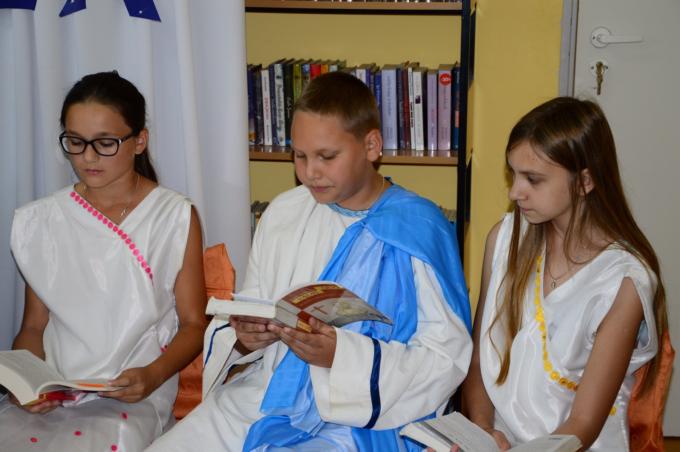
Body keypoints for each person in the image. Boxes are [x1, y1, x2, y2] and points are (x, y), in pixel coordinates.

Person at [148, 71, 472, 451]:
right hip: (266, 396)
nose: (309, 172)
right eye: (299, 156)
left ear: (371, 146)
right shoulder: (284, 211)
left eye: (326, 157)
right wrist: (246, 339)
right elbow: (250, 307)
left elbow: (446, 357)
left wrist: (341, 356)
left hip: (366, 416)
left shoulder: (418, 227)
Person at [0, 71, 207, 451]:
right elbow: (33, 326)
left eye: (105, 143)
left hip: (135, 393)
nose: (88, 157)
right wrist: (26, 384)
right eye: (75, 142)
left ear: (139, 141)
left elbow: (194, 323)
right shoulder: (43, 220)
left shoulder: (173, 216)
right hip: (54, 392)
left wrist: (153, 375)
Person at [461, 97, 670, 450]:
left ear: (584, 181)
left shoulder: (623, 281)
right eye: (513, 174)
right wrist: (482, 430)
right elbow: (480, 359)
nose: (514, 192)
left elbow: (584, 423)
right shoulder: (504, 240)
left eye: (533, 179)